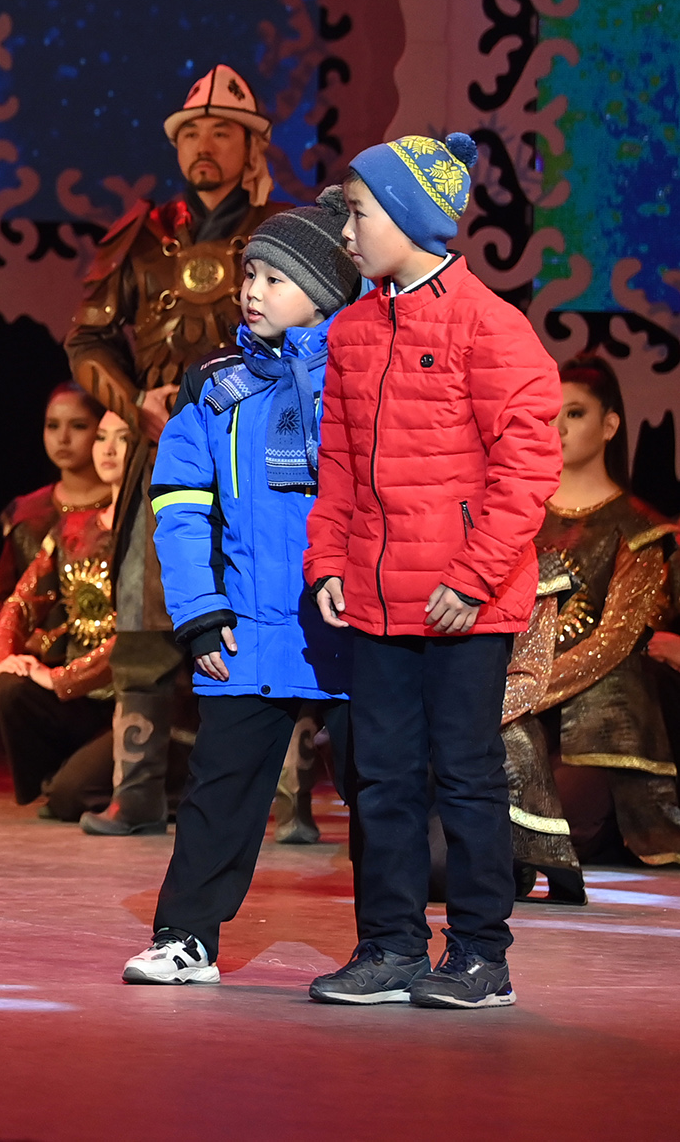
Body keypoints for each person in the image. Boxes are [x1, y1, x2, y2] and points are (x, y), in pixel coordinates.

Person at [304, 132, 562, 1011]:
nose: (346, 232)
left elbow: (525, 468)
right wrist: (327, 559)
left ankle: (481, 954)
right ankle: (388, 945)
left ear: (409, 215)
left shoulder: (489, 325)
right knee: (378, 777)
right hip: (377, 596)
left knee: (464, 776)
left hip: (463, 602)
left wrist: (474, 573)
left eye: (359, 213)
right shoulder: (352, 329)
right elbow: (338, 464)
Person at [123, 196, 360, 986]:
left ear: (324, 291)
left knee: (384, 796)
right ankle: (184, 937)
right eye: (249, 274)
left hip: (351, 626)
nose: (251, 290)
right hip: (248, 630)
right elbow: (179, 508)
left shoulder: (363, 378)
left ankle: (392, 943)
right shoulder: (214, 387)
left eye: (274, 278)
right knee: (218, 794)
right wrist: (198, 612)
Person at [66, 63, 286, 834]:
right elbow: (87, 337)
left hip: (258, 452)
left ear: (251, 145)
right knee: (143, 613)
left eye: (222, 131)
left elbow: (321, 332)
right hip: (163, 449)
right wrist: (136, 403)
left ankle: (283, 802)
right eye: (191, 131)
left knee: (267, 611)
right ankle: (136, 795)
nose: (204, 145)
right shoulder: (141, 237)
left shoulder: (284, 233)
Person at [502, 354, 679, 902]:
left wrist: (512, 695)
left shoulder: (640, 529)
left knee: (562, 818)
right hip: (516, 708)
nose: (557, 428)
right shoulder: (517, 517)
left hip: (595, 720)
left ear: (610, 425)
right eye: (550, 414)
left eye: (574, 414)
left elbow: (613, 640)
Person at [0, 407, 129, 820]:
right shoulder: (73, 528)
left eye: (123, 439)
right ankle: (61, 777)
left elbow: (141, 636)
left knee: (70, 798)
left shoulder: (158, 532)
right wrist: (4, 659)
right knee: (8, 687)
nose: (108, 449)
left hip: (136, 698)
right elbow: (19, 601)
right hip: (82, 698)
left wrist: (59, 678)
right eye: (101, 437)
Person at [0, 382, 109, 610]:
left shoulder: (123, 508)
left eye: (78, 426)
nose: (63, 438)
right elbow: (3, 598)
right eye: (53, 426)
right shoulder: (27, 512)